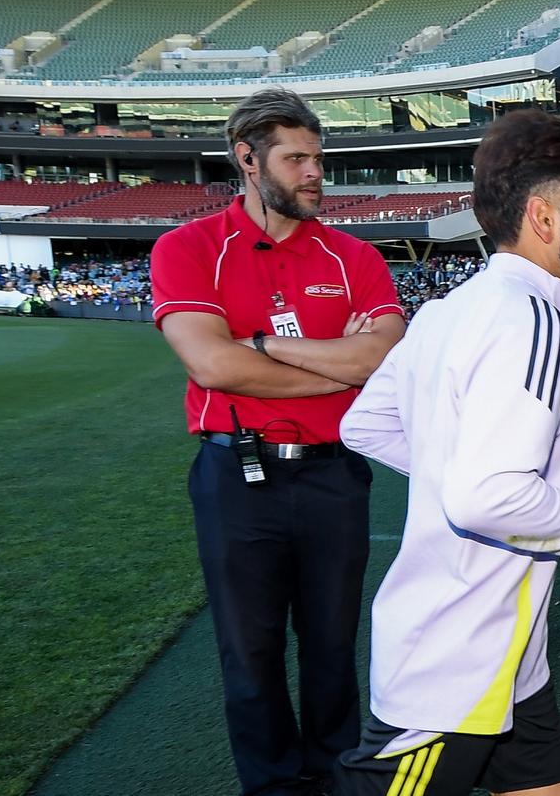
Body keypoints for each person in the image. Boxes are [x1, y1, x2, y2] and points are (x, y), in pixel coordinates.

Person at [333, 110, 560, 796]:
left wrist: (470, 478)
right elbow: (487, 496)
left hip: (512, 662)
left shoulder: (449, 309)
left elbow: (364, 424)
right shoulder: (534, 323)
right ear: (544, 218)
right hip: (457, 664)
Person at [149, 87, 407, 796]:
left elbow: (379, 359)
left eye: (318, 158)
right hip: (237, 475)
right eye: (296, 159)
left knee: (331, 644)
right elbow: (212, 364)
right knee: (250, 650)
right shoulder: (188, 247)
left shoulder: (354, 256)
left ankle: (335, 776)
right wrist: (333, 366)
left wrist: (260, 344)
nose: (314, 173)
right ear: (248, 159)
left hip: (333, 475)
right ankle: (273, 787)